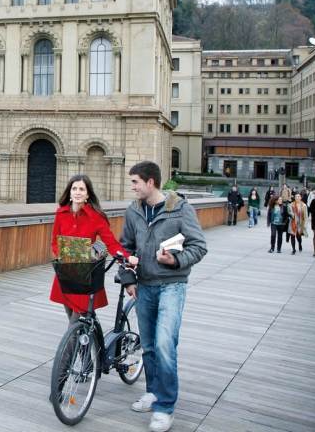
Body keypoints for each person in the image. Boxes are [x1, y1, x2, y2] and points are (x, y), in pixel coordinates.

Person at [119, 161, 208, 432]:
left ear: (150, 182)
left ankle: (165, 407)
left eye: (135, 182)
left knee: (165, 344)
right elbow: (125, 248)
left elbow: (199, 246)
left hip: (172, 285)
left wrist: (176, 260)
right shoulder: (133, 212)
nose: (132, 187)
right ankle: (154, 392)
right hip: (144, 286)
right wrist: (128, 279)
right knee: (148, 346)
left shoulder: (180, 209)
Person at [49, 174, 139, 322]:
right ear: (70, 192)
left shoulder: (96, 216)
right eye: (74, 188)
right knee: (71, 314)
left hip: (85, 273)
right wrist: (64, 257)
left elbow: (111, 243)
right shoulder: (61, 214)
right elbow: (54, 242)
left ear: (87, 194)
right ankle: (94, 339)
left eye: (82, 189)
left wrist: (127, 256)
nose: (78, 192)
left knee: (75, 321)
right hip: (65, 271)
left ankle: (75, 342)